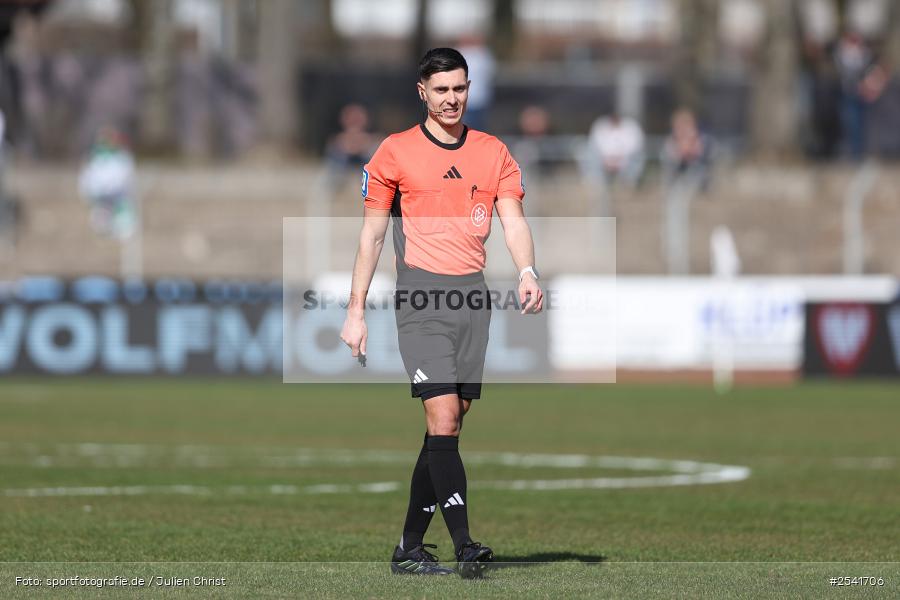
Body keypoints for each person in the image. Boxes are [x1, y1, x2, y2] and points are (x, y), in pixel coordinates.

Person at [340, 48, 542, 578]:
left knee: (446, 431)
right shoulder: (394, 152)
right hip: (422, 300)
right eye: (442, 90)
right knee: (443, 418)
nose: (452, 99)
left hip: (473, 299)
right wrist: (355, 311)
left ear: (468, 89)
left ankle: (409, 548)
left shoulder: (493, 151)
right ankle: (465, 544)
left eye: (460, 88)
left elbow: (513, 221)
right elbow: (373, 235)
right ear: (422, 92)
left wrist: (527, 272)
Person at [587, 112, 645, 188]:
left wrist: (620, 158)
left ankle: (628, 184)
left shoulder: (631, 127)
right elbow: (596, 145)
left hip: (626, 160)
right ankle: (596, 183)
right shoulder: (601, 127)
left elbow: (635, 146)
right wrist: (607, 158)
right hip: (605, 159)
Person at [660, 108, 714, 189]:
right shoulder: (672, 139)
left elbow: (699, 151)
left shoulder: (699, 137)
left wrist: (688, 151)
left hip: (694, 166)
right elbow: (670, 152)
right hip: (678, 166)